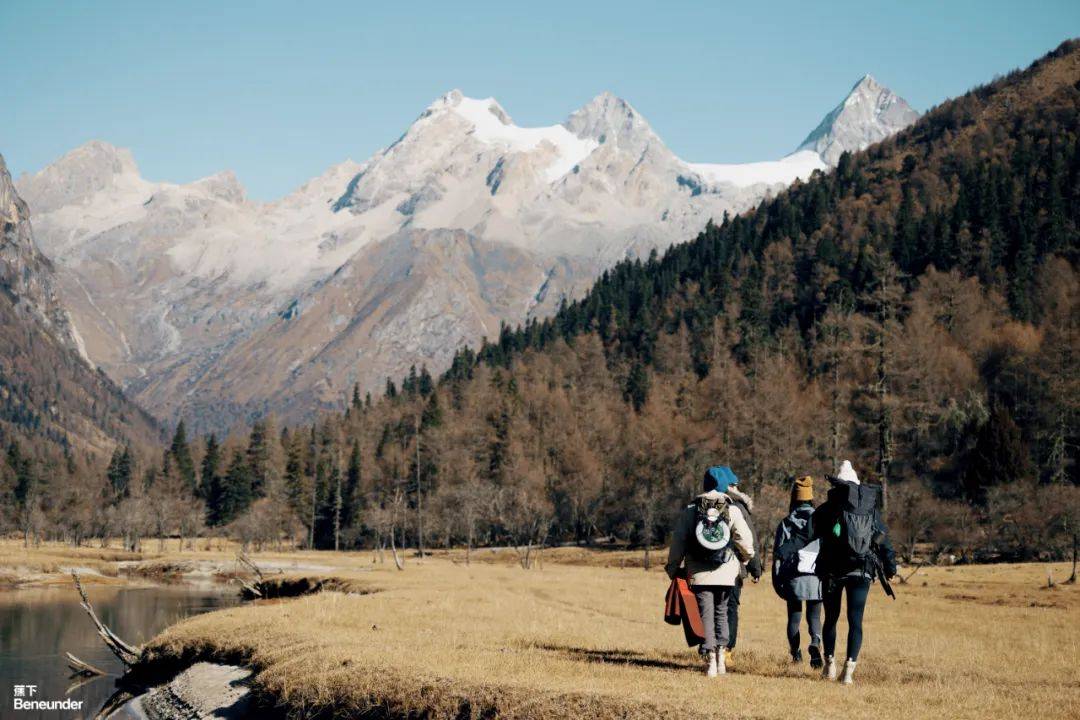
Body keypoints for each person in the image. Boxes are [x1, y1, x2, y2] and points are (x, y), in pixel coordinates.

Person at [812, 460, 897, 685]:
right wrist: (890, 567)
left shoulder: (828, 507)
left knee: (831, 618)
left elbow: (809, 532)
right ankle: (849, 671)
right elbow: (884, 539)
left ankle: (829, 664)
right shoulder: (869, 508)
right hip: (862, 569)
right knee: (855, 620)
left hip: (832, 571)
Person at [665, 466, 755, 677]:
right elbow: (745, 539)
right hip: (726, 570)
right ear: (724, 486)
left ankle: (711, 660)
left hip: (699, 572)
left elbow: (679, 541)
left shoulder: (692, 510)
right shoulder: (731, 509)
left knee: (705, 613)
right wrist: (746, 557)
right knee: (721, 612)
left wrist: (673, 567)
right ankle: (722, 655)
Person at [771, 475, 823, 668]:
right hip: (816, 575)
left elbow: (778, 553)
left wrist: (777, 580)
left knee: (794, 616)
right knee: (815, 616)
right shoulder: (820, 521)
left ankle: (796, 654)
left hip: (793, 576)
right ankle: (816, 642)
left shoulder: (785, 523)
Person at [721, 470, 762, 667]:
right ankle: (727, 651)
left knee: (710, 607)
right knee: (730, 608)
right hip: (733, 566)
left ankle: (709, 647)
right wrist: (755, 568)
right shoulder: (739, 508)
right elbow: (750, 540)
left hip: (704, 566)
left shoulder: (702, 504)